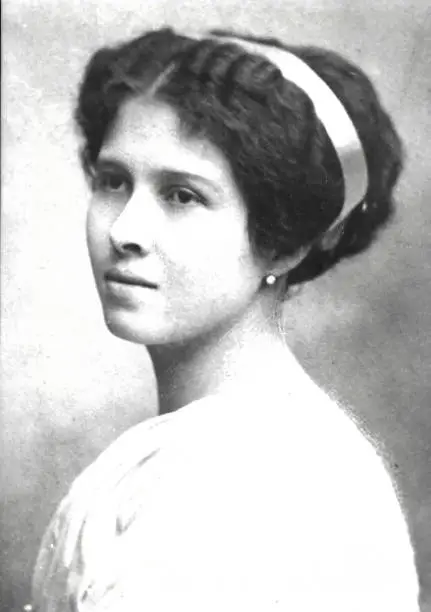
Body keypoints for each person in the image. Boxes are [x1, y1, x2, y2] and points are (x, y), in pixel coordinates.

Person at [31, 27, 420, 611]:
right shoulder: (209, 444)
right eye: (113, 181)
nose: (123, 231)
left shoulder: (251, 486)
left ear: (285, 242)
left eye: (182, 195)